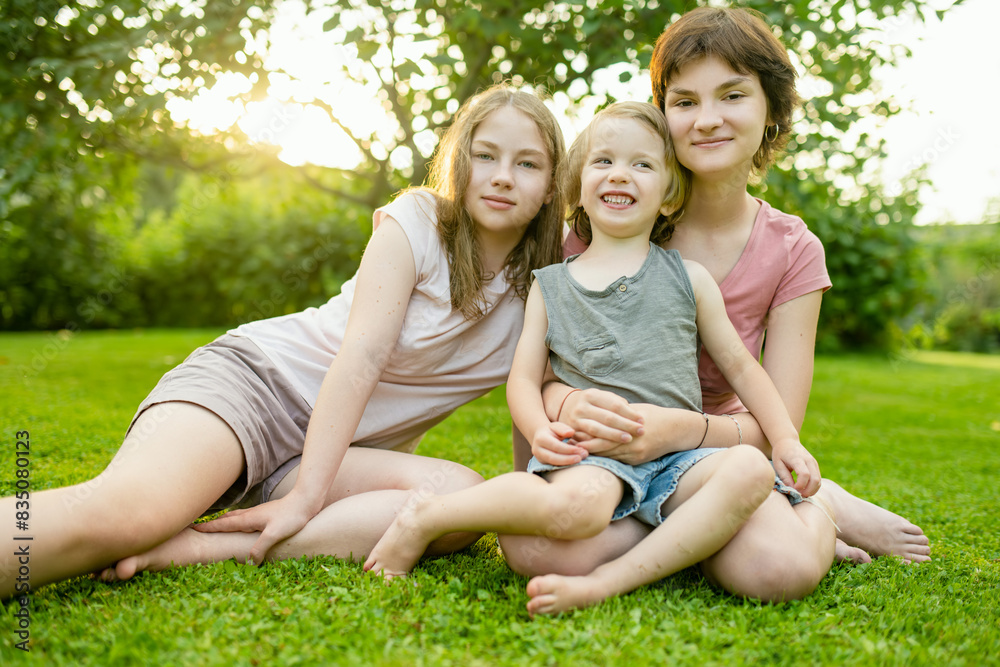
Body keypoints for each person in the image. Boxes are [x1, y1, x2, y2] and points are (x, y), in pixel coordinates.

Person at [0, 83, 567, 597]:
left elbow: (532, 399)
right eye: (485, 155)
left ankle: (203, 547)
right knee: (126, 516)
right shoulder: (416, 219)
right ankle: (189, 523)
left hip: (340, 454)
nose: (501, 175)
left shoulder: (548, 290)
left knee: (457, 501)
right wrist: (308, 497)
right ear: (458, 162)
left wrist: (527, 498)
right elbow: (361, 357)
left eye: (527, 164)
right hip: (257, 388)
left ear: (551, 189)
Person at [497, 6, 929, 611]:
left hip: (718, 454)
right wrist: (566, 408)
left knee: (775, 570)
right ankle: (703, 529)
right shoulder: (609, 220)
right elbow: (537, 375)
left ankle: (818, 508)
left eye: (732, 95)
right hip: (609, 459)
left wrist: (679, 430)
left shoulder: (792, 250)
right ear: (661, 112)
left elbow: (775, 418)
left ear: (772, 110)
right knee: (538, 551)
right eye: (684, 101)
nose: (707, 120)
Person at [363, 103, 833, 617]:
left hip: (682, 458)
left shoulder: (689, 278)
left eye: (643, 165)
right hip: (593, 457)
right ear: (578, 186)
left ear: (671, 192)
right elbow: (522, 380)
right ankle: (427, 516)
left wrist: (785, 439)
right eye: (603, 161)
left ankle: (608, 581)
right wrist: (540, 427)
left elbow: (744, 369)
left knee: (746, 469)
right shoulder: (552, 284)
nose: (620, 175)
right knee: (580, 508)